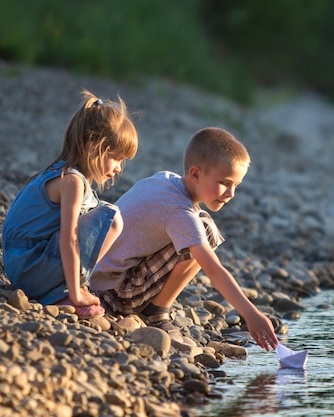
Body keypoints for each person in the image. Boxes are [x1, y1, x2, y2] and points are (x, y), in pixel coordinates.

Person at [90, 127, 278, 351]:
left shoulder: (166, 179)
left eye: (236, 185)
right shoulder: (180, 213)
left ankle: (154, 306)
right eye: (225, 183)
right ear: (196, 174)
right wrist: (251, 314)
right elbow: (213, 269)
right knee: (204, 230)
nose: (231, 194)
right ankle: (156, 311)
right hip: (113, 295)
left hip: (96, 279)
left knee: (199, 226)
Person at [2, 90, 138, 318]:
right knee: (111, 217)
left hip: (20, 263)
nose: (118, 169)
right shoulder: (72, 181)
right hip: (30, 267)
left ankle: (64, 287)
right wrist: (76, 294)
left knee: (99, 210)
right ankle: (65, 292)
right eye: (116, 158)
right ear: (92, 146)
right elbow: (69, 238)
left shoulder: (61, 172)